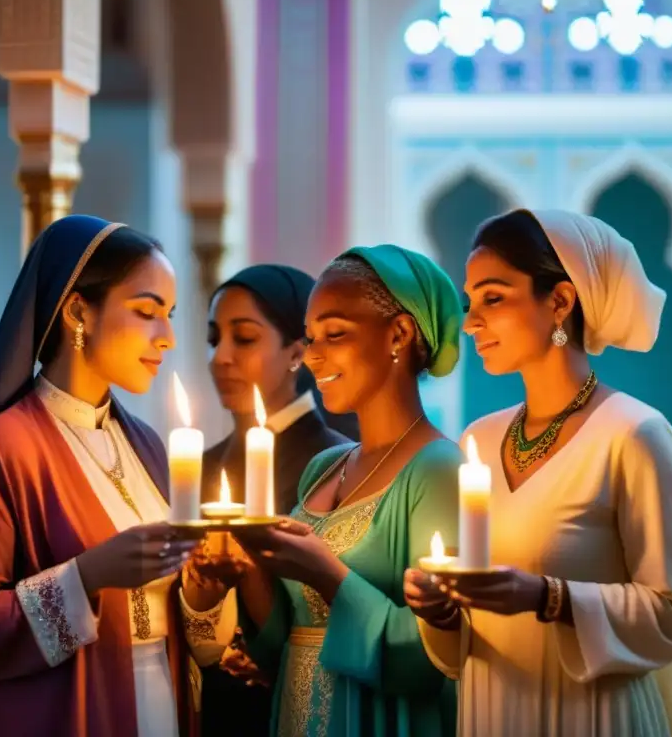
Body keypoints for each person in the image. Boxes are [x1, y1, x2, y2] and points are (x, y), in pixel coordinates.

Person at [403, 209, 672, 736]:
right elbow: (468, 635)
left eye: (493, 298)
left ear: (560, 301)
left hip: (594, 716)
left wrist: (549, 597)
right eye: (471, 303)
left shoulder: (633, 435)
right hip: (493, 709)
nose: (472, 322)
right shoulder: (479, 440)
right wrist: (441, 609)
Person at [0, 215, 232, 737]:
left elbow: (181, 629)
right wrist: (88, 575)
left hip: (159, 702)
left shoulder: (148, 447)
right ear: (79, 311)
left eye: (170, 316)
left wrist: (204, 592)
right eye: (146, 312)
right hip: (62, 713)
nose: (166, 338)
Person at [191, 244, 466, 736]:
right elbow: (286, 640)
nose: (313, 357)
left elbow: (431, 661)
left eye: (335, 335)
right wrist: (248, 573)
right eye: (310, 337)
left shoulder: (439, 468)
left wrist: (326, 573)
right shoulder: (324, 467)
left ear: (398, 334)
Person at [195, 264, 352, 735]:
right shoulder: (198, 467)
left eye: (243, 338)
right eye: (214, 338)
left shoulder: (334, 462)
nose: (220, 357)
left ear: (298, 353)